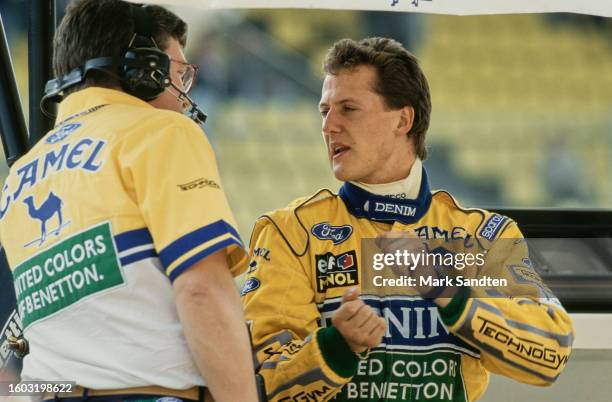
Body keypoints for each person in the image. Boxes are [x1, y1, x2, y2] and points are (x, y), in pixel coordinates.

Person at [241, 37, 574, 401]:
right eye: (325, 111)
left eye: (348, 109)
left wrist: (449, 293)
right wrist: (337, 346)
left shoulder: (482, 235)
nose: (329, 126)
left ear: (403, 119)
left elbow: (551, 352)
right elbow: (260, 385)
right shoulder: (290, 233)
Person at [0, 1, 258, 401]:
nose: (183, 97)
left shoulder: (18, 178)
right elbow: (201, 291)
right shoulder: (161, 132)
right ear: (145, 70)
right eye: (178, 75)